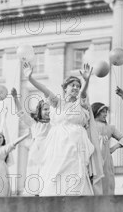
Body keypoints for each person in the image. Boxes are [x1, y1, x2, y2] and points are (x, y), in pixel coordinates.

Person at [26, 61, 99, 196]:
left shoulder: (81, 103)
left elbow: (83, 94)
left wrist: (86, 81)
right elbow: (44, 89)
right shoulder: (57, 102)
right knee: (57, 169)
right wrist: (30, 78)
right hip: (59, 142)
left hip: (77, 142)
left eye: (78, 86)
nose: (76, 88)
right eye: (73, 85)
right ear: (65, 88)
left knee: (75, 169)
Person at [10, 88, 52, 196]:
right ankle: (35, 192)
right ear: (39, 111)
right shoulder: (34, 124)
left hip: (50, 150)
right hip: (37, 151)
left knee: (49, 172)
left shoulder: (55, 124)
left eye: (49, 109)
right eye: (45, 109)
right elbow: (21, 113)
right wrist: (15, 98)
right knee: (36, 173)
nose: (48, 111)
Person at [90, 102, 123, 195]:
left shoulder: (110, 128)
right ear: (96, 112)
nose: (105, 114)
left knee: (107, 185)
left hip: (106, 161)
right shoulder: (89, 126)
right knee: (93, 185)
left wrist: (113, 148)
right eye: (102, 111)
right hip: (92, 160)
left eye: (106, 111)